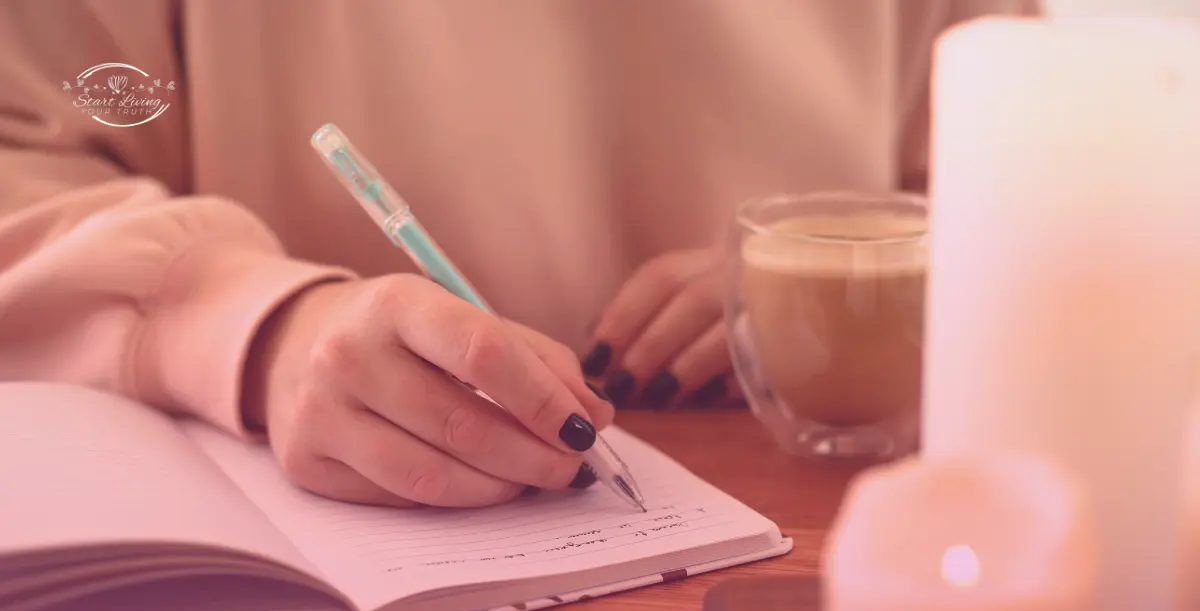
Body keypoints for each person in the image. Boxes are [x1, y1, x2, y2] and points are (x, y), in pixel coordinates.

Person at [0, 0, 1038, 509]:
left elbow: (1037, 158)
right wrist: (251, 322)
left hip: (826, 523)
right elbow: (27, 147)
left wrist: (853, 287)